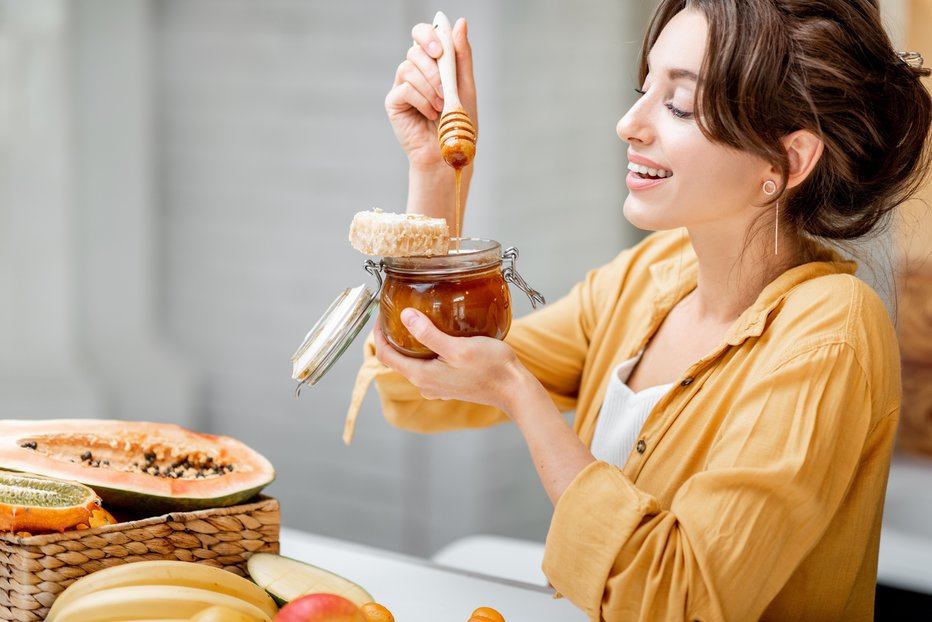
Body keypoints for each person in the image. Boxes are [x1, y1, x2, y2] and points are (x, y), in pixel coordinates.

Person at [357, 1, 932, 620]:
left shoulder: (830, 334)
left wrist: (520, 395)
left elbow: (680, 599)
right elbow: (418, 382)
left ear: (787, 161)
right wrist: (435, 173)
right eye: (644, 87)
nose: (629, 123)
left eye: (679, 105)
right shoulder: (649, 276)